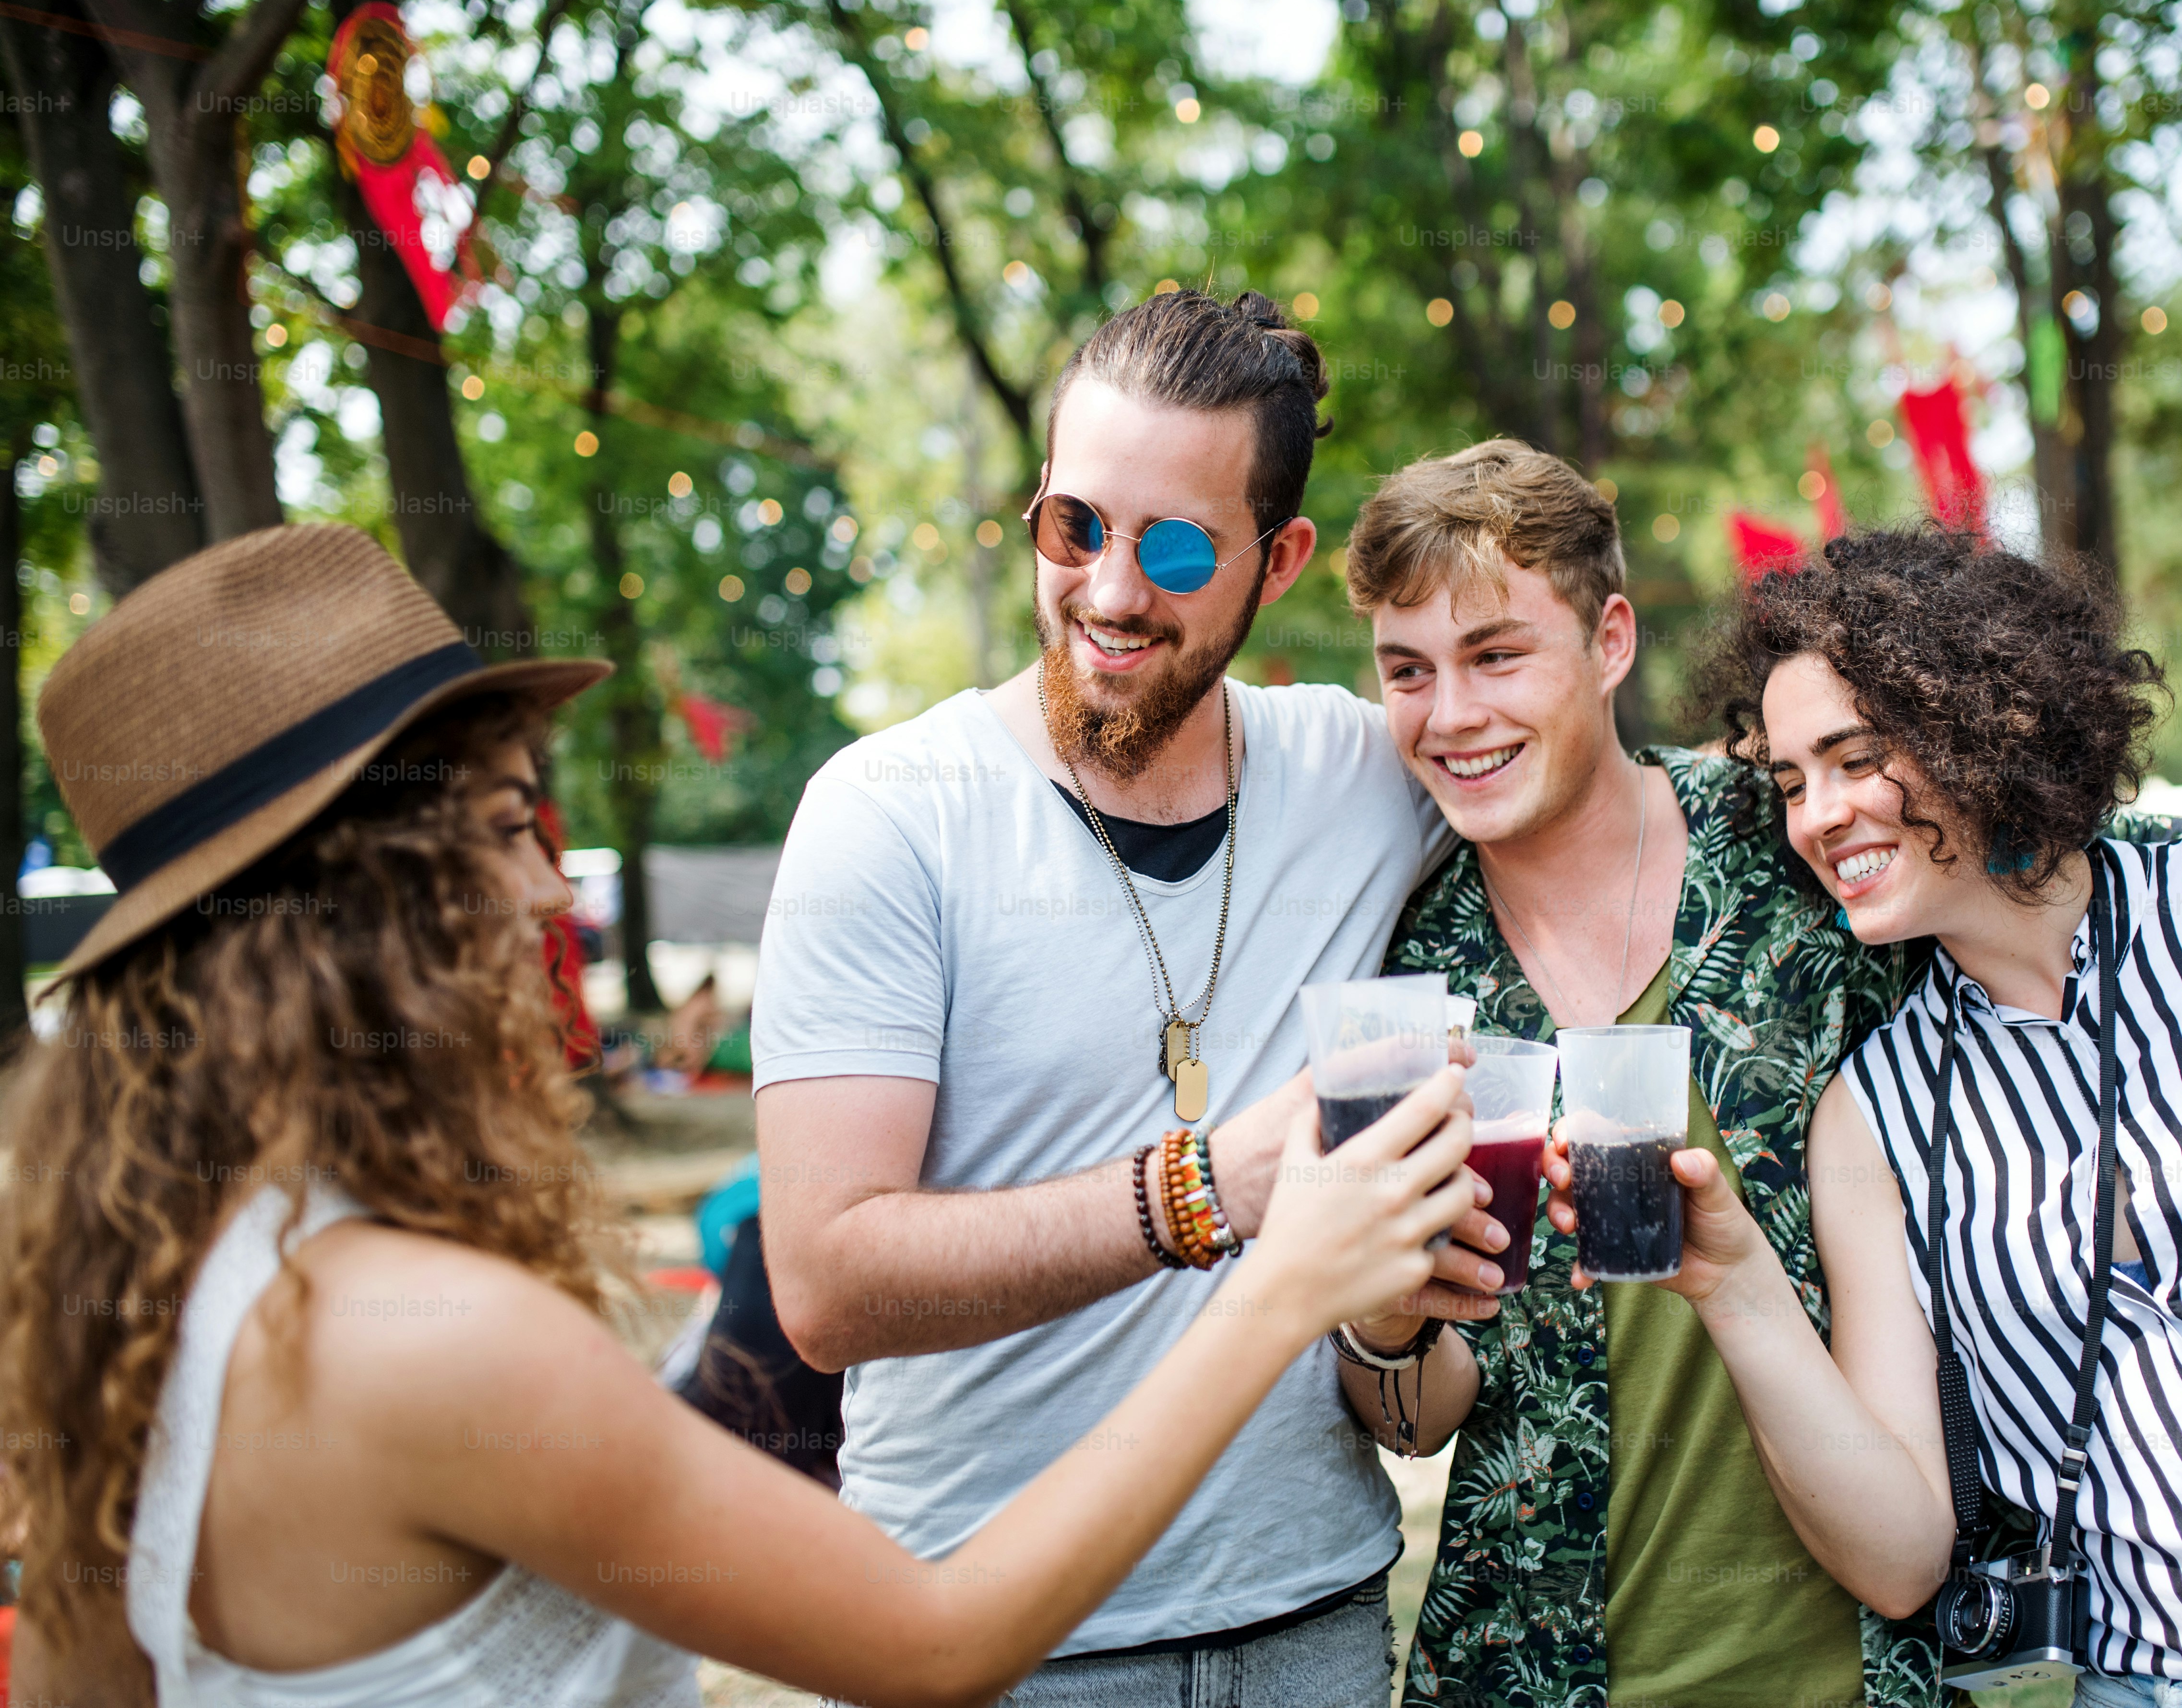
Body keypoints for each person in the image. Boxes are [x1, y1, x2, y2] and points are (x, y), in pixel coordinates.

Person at [0, 525, 1478, 1705]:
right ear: (355, 897)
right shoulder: (428, 1338)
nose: (541, 892)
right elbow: (941, 1644)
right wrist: (1273, 1281)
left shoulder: (160, 1298)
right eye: (512, 828)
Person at [1340, 444, 2182, 1708]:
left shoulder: (1796, 827)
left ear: (1610, 641)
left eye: (1496, 655)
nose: (1453, 715)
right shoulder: (1412, 964)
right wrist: (1384, 1317)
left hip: (1875, 1660)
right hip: (1539, 1660)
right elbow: (1420, 1417)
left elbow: (2105, 848)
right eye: (1408, 672)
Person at [750, 289, 1510, 1703]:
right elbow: (825, 1284)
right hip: (991, 1643)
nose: (1109, 590)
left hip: (1319, 1623)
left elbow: (1583, 792)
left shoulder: (1364, 773)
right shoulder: (890, 814)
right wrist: (1207, 1187)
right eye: (1074, 527)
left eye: (1173, 546)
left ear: (1277, 562)